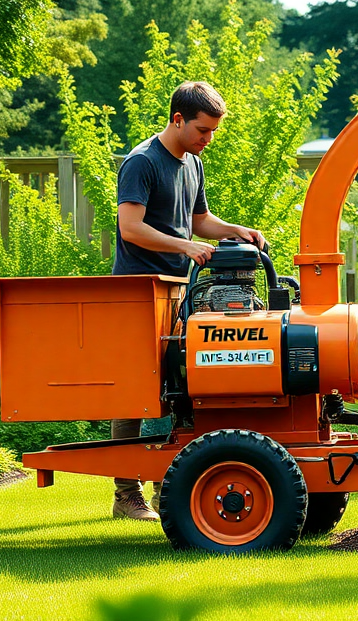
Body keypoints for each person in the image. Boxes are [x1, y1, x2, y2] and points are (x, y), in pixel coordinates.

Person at [109, 80, 265, 521]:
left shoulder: (192, 163)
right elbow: (130, 228)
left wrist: (237, 230)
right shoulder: (142, 162)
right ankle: (126, 495)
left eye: (213, 131)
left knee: (182, 386)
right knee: (137, 392)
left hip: (180, 290)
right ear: (177, 119)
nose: (207, 139)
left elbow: (200, 221)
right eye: (202, 129)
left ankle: (170, 487)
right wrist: (185, 247)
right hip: (140, 290)